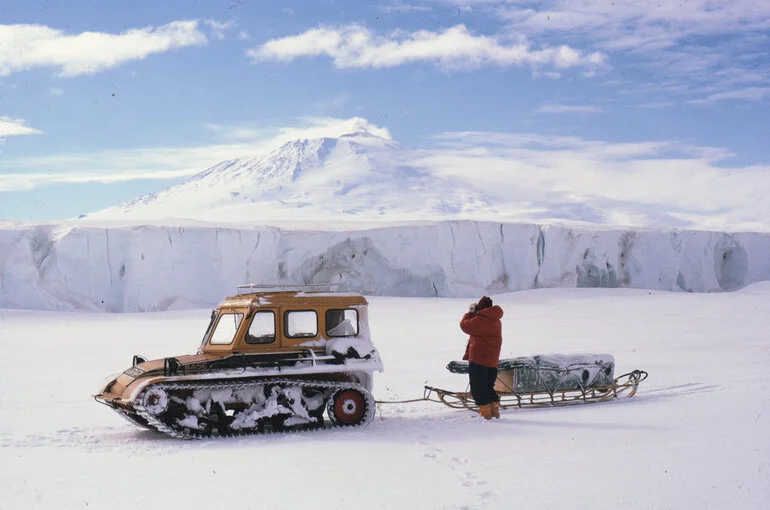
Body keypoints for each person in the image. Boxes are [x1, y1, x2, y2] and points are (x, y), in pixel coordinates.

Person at [460, 296, 504, 419]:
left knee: (478, 389)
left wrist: (470, 312)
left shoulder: (481, 320)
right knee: (488, 387)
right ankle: (494, 412)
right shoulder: (496, 320)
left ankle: (485, 416)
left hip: (479, 360)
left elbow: (464, 325)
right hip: (492, 361)